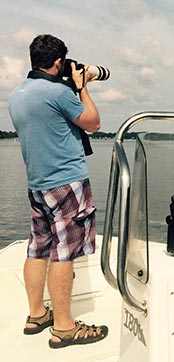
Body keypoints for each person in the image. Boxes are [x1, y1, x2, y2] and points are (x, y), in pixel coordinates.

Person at [8, 34, 108, 348]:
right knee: (64, 255)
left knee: (38, 249)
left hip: (37, 184)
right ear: (57, 62)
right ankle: (64, 327)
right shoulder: (56, 93)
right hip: (67, 182)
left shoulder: (18, 93)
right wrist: (83, 86)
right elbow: (93, 122)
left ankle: (37, 314)